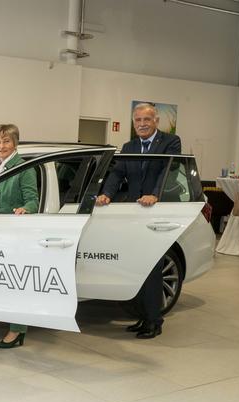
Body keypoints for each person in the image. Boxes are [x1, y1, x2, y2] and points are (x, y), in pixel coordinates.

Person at [96, 102, 181, 339]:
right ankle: (143, 317)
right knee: (136, 267)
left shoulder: (170, 142)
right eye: (137, 120)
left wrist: (155, 194)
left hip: (157, 211)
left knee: (152, 268)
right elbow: (117, 173)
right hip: (134, 212)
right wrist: (107, 194)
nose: (141, 124)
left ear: (156, 121)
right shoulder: (129, 146)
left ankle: (154, 321)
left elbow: (168, 170)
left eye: (146, 120)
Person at [0, 124, 39, 349]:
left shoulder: (23, 168)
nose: (1, 146)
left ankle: (17, 330)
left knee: (15, 284)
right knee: (2, 282)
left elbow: (32, 199)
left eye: (6, 141)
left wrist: (26, 209)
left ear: (15, 143)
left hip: (14, 234)